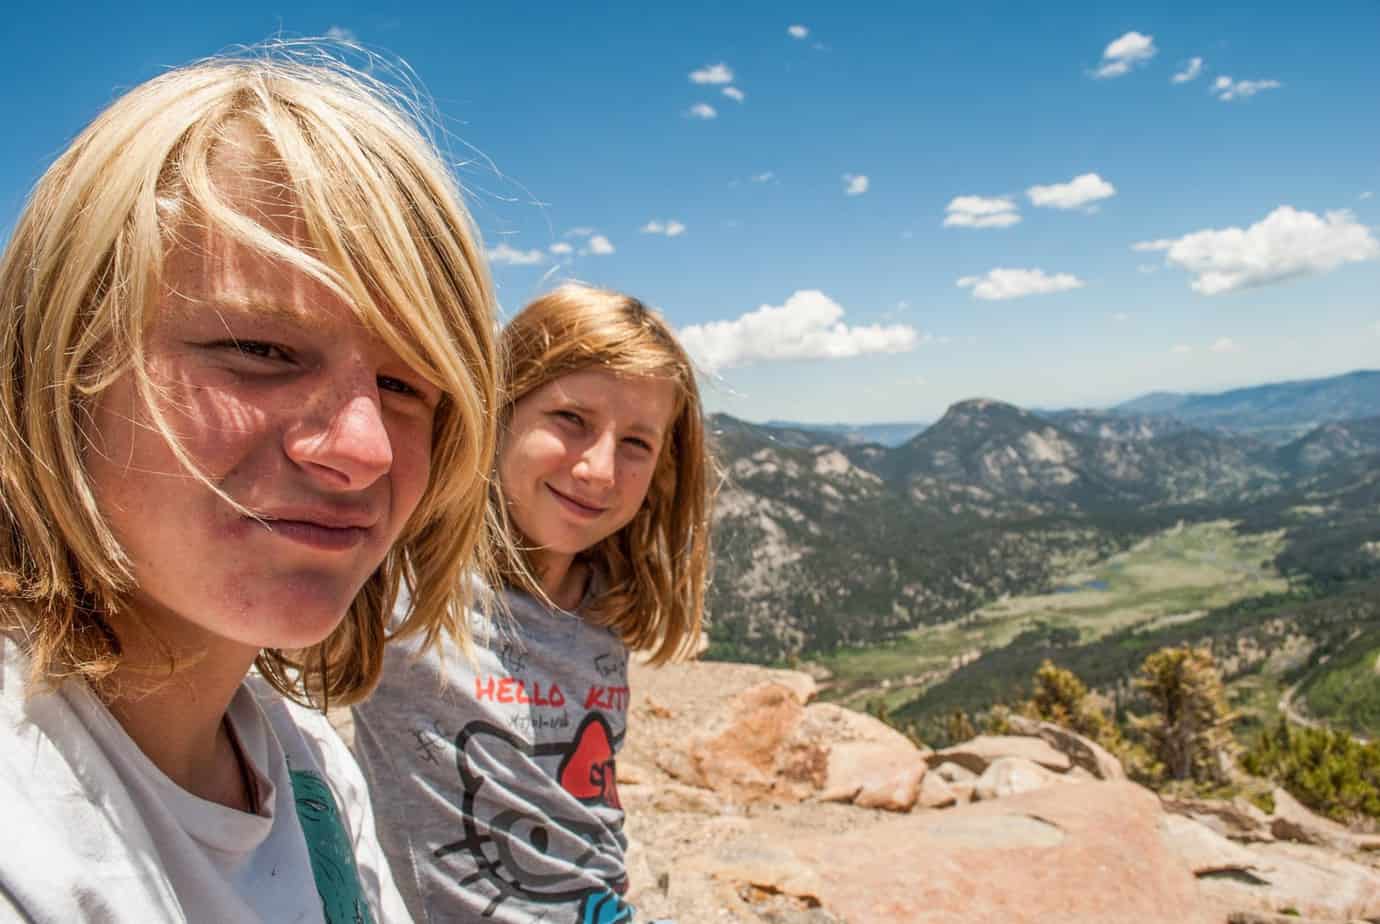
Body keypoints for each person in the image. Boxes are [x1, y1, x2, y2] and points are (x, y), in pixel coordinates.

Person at [0, 49, 499, 923]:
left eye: (407, 386)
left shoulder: (308, 773)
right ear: (60, 364)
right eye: (260, 350)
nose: (364, 448)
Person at [353, 284, 716, 922]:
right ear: (501, 409)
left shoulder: (603, 611)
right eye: (571, 420)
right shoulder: (409, 579)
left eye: (636, 443)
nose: (600, 470)